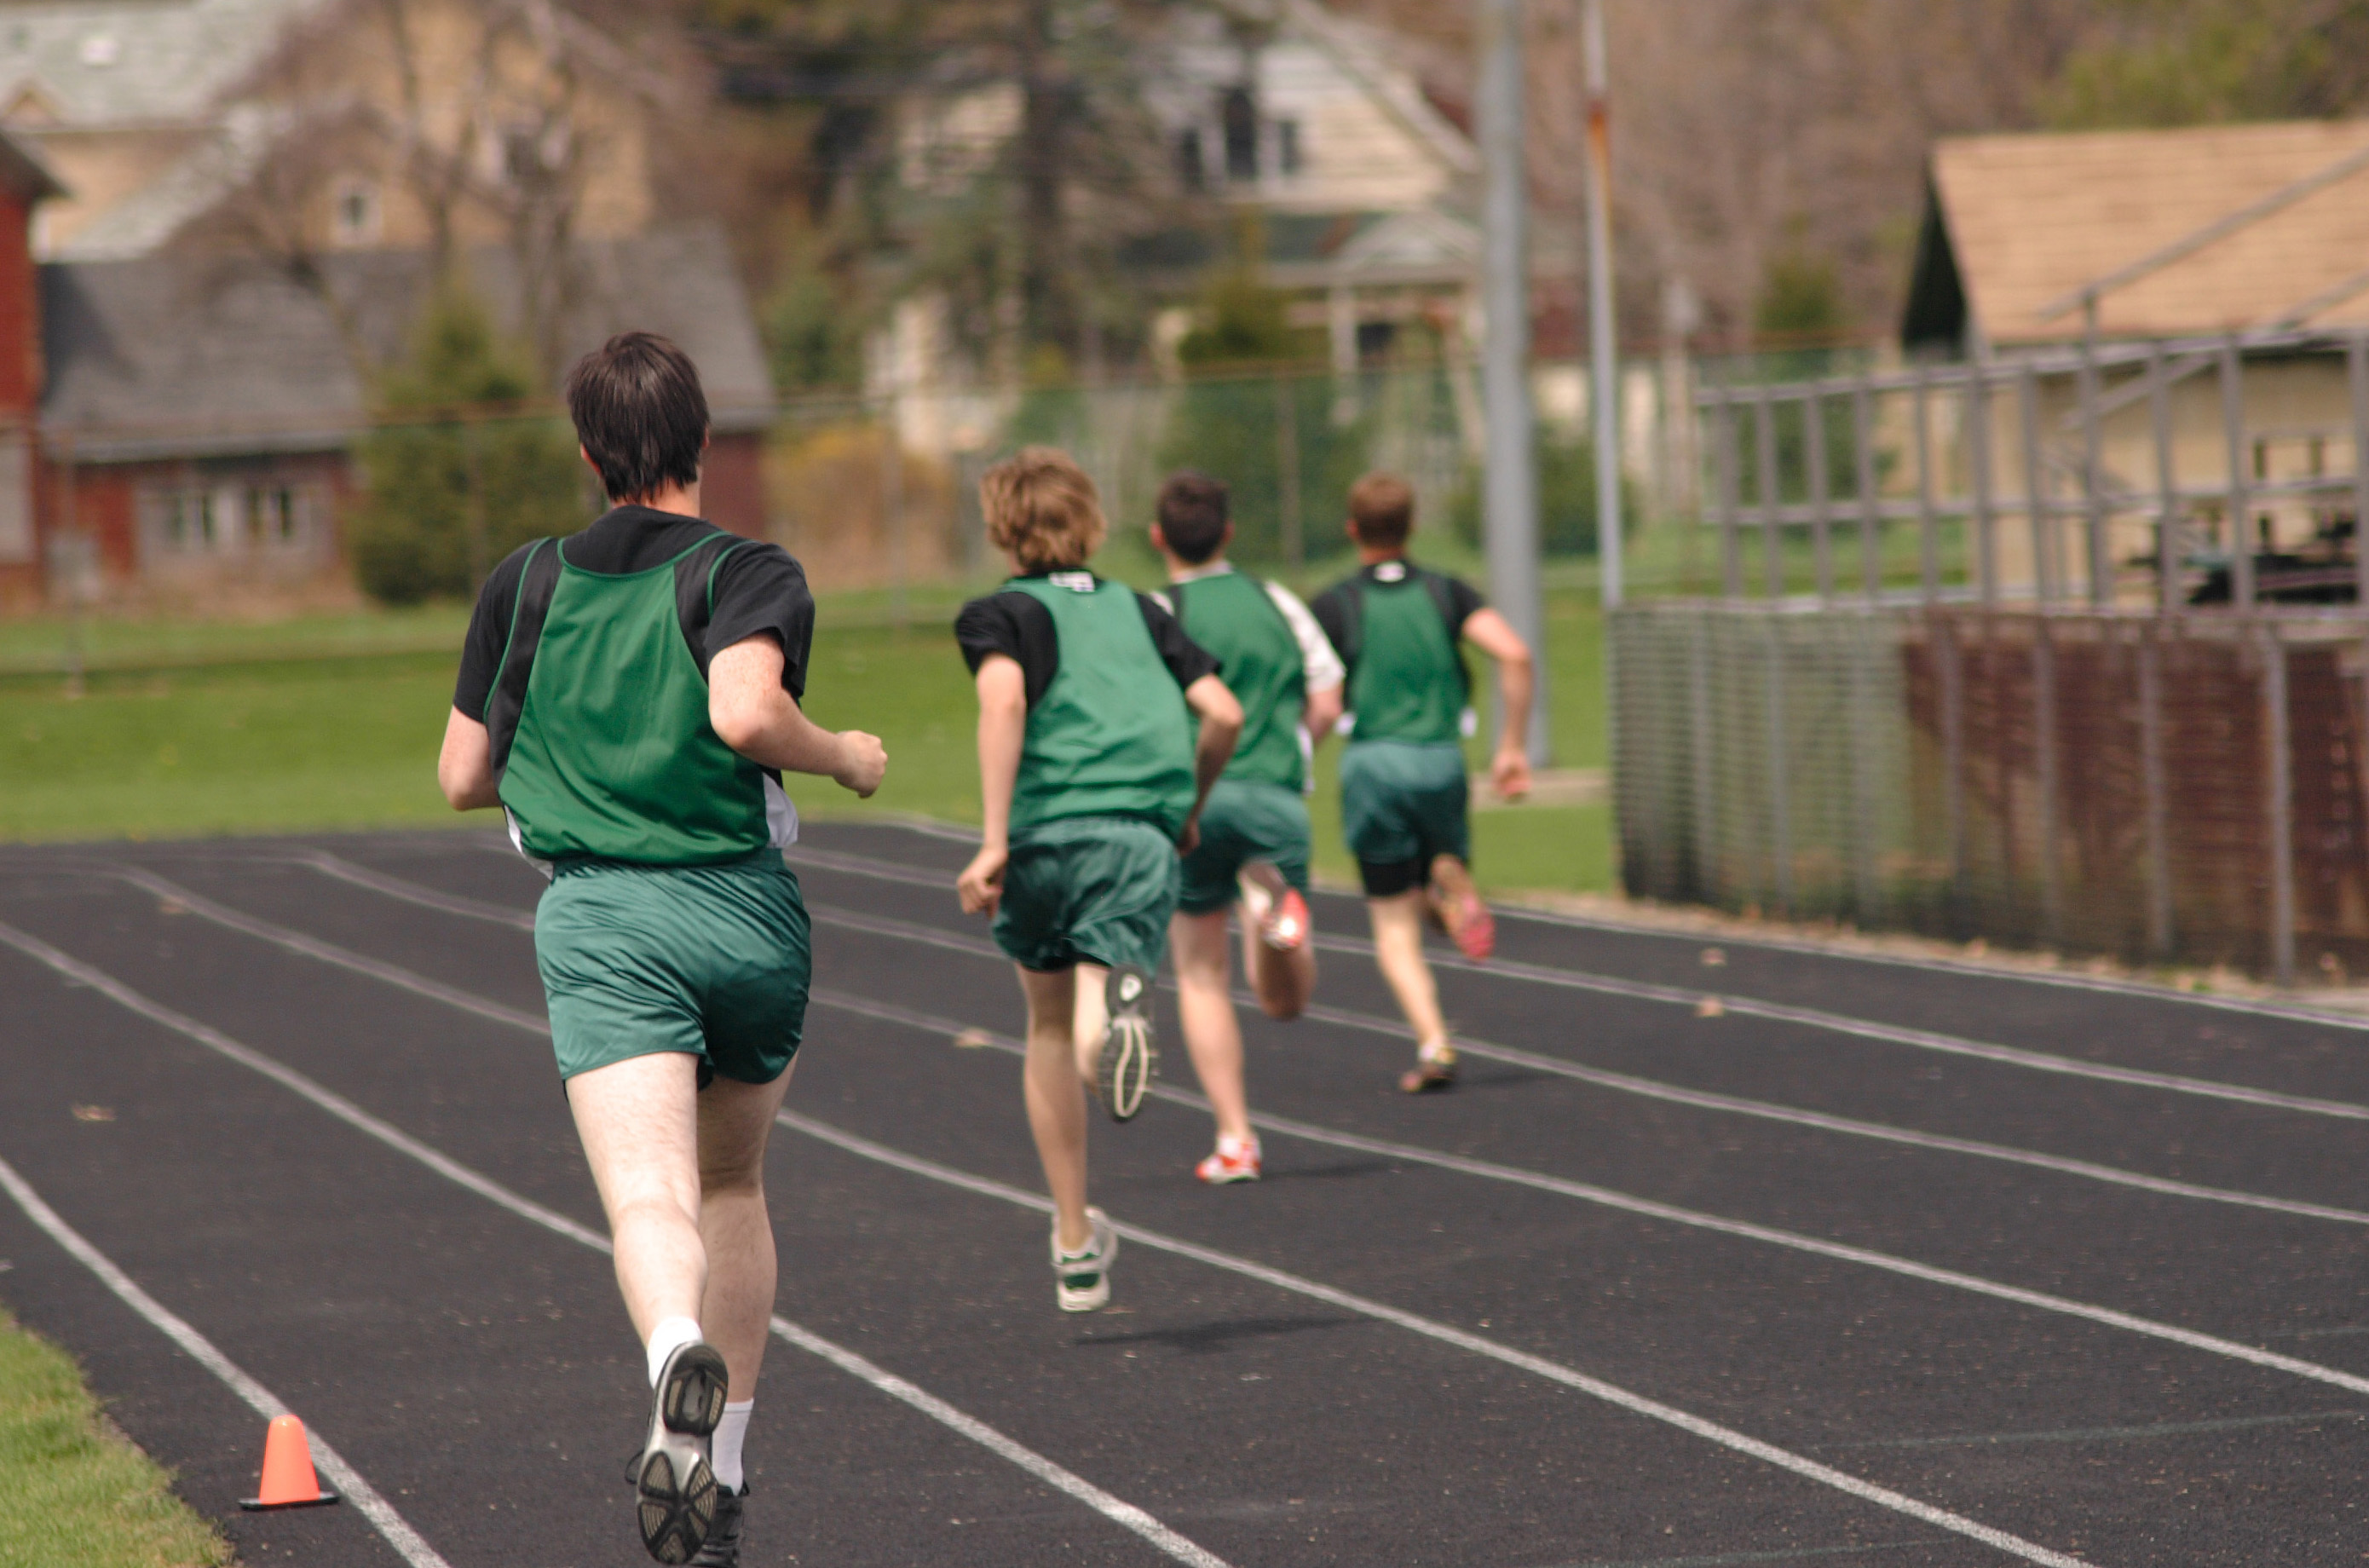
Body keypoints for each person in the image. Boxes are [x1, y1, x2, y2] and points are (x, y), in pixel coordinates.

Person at [436, 332, 886, 1566]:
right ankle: (721, 1469)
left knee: (652, 1195)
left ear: (589, 456)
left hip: (606, 921)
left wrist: (575, 766)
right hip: (745, 913)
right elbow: (745, 708)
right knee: (733, 1184)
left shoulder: (526, 581)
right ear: (703, 442)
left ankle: (674, 1351)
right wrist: (844, 755)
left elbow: (462, 774)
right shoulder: (747, 569)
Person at [954, 447, 1242, 1310]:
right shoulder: (1145, 608)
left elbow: (1004, 702)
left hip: (1041, 839)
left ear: (1002, 529)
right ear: (1091, 521)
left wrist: (992, 841)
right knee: (1098, 990)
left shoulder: (999, 613)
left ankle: (1075, 1244)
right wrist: (1188, 807)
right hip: (1135, 835)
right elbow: (1223, 713)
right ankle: (1111, 1021)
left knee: (1043, 1028)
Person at [1147, 470, 1345, 1185]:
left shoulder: (1157, 610)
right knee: (1284, 1002)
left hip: (1194, 803)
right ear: (1229, 532)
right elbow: (1328, 698)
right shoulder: (1277, 600)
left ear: (1158, 538)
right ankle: (1273, 921)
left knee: (1201, 974)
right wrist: (1296, 750)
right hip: (1275, 795)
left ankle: (1235, 1139)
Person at [1309, 471, 1533, 1094]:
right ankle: (1443, 879)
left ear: (1352, 530)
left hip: (1374, 767)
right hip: (1441, 762)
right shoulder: (1446, 591)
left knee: (1392, 925)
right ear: (1411, 527)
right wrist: (1511, 747)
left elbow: (1314, 690)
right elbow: (1514, 654)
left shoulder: (1337, 604)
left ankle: (1434, 1042)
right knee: (1432, 878)